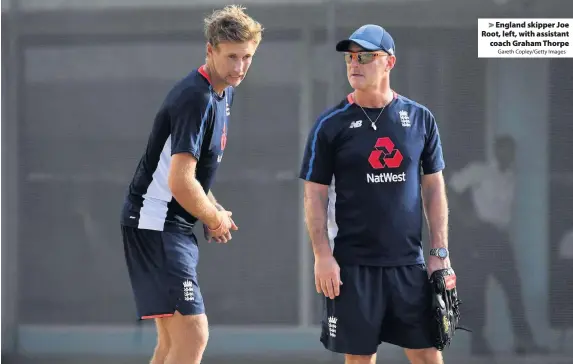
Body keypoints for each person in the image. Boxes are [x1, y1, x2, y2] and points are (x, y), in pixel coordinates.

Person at [299, 24, 451, 364]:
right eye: (351, 57)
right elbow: (314, 195)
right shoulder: (331, 124)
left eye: (366, 56)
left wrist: (439, 251)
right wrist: (322, 256)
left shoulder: (420, 119)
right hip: (353, 266)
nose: (355, 63)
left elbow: (434, 187)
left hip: (408, 266)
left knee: (428, 355)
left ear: (389, 62)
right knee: (360, 359)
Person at [119, 5, 263, 364]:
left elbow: (194, 178)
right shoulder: (195, 98)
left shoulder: (222, 92)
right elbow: (180, 181)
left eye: (247, 57)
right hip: (156, 223)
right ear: (210, 50)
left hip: (168, 224)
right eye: (231, 57)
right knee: (193, 333)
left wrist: (211, 208)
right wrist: (212, 220)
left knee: (171, 344)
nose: (240, 67)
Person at [449, 135, 547, 356]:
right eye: (503, 149)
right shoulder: (480, 170)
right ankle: (478, 343)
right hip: (480, 235)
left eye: (511, 151)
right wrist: (465, 217)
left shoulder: (510, 176)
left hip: (500, 237)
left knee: (513, 287)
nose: (507, 154)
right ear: (496, 151)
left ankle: (524, 341)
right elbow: (451, 189)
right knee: (477, 288)